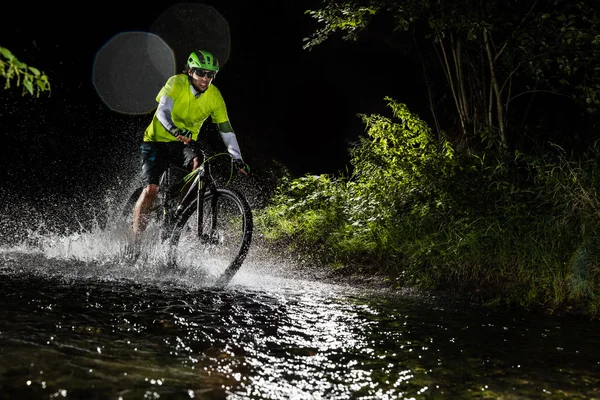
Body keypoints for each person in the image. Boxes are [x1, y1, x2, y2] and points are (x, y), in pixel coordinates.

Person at [132, 49, 249, 241]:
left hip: (182, 144)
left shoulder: (214, 96)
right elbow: (162, 111)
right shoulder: (176, 82)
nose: (205, 78)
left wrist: (237, 158)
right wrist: (173, 130)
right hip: (155, 142)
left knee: (198, 162)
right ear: (189, 71)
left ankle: (178, 210)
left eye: (210, 74)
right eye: (200, 72)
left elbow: (226, 129)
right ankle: (135, 242)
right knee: (151, 190)